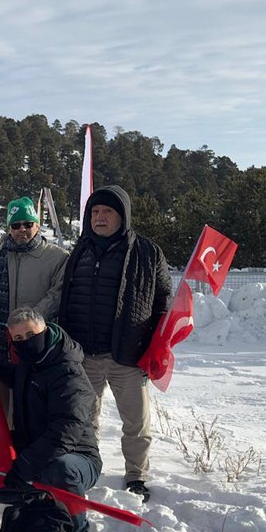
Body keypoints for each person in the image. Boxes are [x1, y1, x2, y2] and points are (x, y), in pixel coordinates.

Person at [58, 185, 171, 502]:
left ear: (122, 216)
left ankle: (137, 475)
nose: (99, 217)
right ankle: (88, 468)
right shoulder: (79, 251)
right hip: (84, 355)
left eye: (107, 211)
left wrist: (155, 343)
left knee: (136, 423)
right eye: (94, 212)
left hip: (127, 356)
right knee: (84, 420)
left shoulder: (147, 253)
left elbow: (164, 302)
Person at [0, 307, 101, 532]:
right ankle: (38, 496)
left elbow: (66, 431)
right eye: (18, 339)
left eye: (31, 334)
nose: (26, 342)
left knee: (60, 469)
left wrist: (24, 466)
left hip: (77, 459)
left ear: (45, 330)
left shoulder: (68, 372)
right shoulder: (31, 363)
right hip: (35, 453)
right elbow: (20, 379)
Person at [0, 197, 69, 361]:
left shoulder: (58, 257)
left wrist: (29, 322)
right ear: (9, 228)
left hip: (40, 340)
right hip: (2, 341)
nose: (22, 229)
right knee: (2, 383)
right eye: (16, 225)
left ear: (37, 225)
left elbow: (57, 296)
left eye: (28, 224)